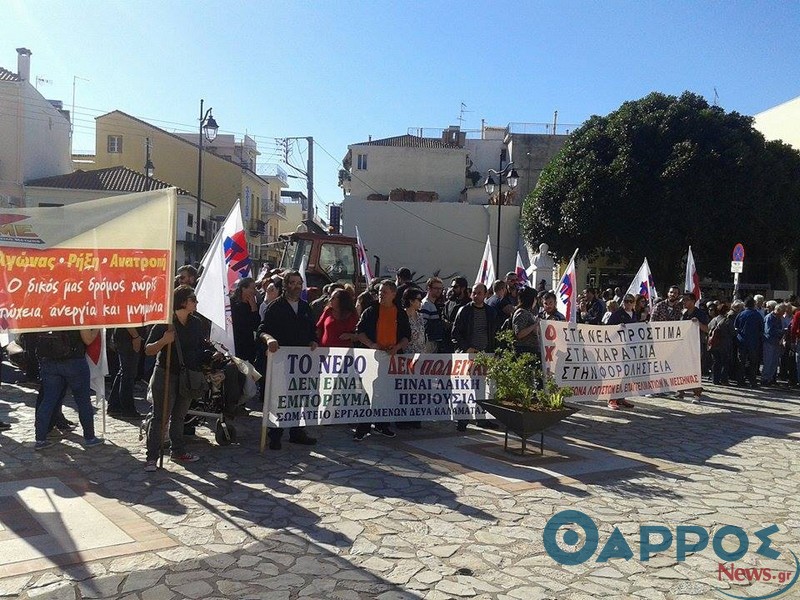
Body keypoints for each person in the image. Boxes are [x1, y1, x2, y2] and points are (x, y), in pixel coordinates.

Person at [144, 286, 212, 470]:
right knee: (161, 417)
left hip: (188, 375)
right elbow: (148, 350)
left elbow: (200, 346)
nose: (196, 303)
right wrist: (163, 341)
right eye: (193, 299)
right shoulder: (164, 323)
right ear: (183, 302)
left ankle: (178, 450)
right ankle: (151, 456)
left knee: (180, 416)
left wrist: (211, 354)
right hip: (165, 373)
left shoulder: (196, 323)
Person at [258, 270, 319, 450]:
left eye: (298, 283)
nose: (296, 286)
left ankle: (297, 432)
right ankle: (275, 434)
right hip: (281, 363)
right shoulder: (275, 307)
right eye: (292, 283)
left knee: (299, 398)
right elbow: (262, 330)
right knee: (279, 398)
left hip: (301, 364)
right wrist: (269, 339)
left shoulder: (306, 307)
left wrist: (313, 341)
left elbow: (312, 331)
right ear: (285, 285)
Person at [353, 280, 410, 440]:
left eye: (384, 292)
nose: (381, 294)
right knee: (367, 393)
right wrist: (372, 345)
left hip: (391, 359)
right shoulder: (370, 311)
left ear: (393, 294)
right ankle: (363, 427)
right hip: (372, 358)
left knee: (385, 393)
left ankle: (382, 424)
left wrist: (397, 347)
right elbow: (360, 332)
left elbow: (407, 336)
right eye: (379, 291)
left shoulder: (400, 312)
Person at [34, 329, 104, 450]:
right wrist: (97, 328)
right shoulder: (76, 312)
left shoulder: (47, 311)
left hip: (49, 360)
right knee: (83, 401)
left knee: (48, 401)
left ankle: (40, 439)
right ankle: (90, 438)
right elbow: (88, 340)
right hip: (74, 361)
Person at [451, 283, 499, 431]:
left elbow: (494, 334)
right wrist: (467, 348)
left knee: (481, 389)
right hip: (468, 356)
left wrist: (494, 351)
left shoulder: (491, 312)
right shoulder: (464, 311)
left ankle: (481, 419)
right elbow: (455, 334)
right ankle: (462, 420)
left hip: (485, 355)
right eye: (474, 293)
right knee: (464, 389)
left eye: (480, 293)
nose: (476, 295)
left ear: (485, 295)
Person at [605, 294, 637, 410]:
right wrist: (618, 327)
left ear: (634, 303)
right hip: (618, 349)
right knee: (617, 374)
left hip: (630, 349)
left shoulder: (634, 314)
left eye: (630, 301)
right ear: (623, 302)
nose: (628, 303)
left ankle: (621, 398)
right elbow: (608, 329)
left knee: (626, 375)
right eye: (626, 301)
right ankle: (611, 399)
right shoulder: (617, 314)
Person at [107, 326, 146, 418]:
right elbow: (127, 319)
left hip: (127, 336)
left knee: (125, 372)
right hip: (129, 336)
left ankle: (114, 406)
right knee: (128, 374)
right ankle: (127, 410)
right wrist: (135, 336)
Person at [677, 292, 708, 401]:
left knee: (695, 369)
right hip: (683, 345)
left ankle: (697, 393)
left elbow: (707, 329)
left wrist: (698, 324)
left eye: (686, 300)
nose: (684, 302)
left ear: (693, 301)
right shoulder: (683, 314)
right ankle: (680, 391)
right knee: (681, 368)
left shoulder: (700, 313)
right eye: (683, 300)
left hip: (695, 345)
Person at [734, 297, 764, 388]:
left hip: (742, 341)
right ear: (753, 304)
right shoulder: (757, 315)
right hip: (753, 342)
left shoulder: (740, 314)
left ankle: (740, 381)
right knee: (753, 363)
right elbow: (761, 329)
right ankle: (752, 382)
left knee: (741, 362)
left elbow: (736, 326)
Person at [230, 277, 261, 363]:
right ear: (243, 288)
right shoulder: (232, 303)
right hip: (235, 341)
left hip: (248, 343)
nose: (255, 291)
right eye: (253, 288)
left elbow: (256, 325)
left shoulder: (253, 304)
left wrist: (254, 308)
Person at [707, 301, 734, 385]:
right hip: (724, 345)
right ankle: (724, 380)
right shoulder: (727, 321)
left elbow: (708, 329)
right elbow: (732, 333)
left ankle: (715, 379)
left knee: (715, 362)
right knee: (724, 363)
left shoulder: (713, 319)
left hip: (714, 344)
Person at [761, 301, 785, 386]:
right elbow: (768, 331)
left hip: (776, 342)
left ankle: (770, 378)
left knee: (774, 362)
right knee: (768, 361)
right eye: (782, 312)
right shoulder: (769, 317)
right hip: (769, 342)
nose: (783, 314)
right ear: (778, 310)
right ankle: (765, 378)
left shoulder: (778, 318)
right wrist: (781, 331)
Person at [512, 287, 540, 355]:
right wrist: (535, 325)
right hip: (524, 350)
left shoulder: (528, 312)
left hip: (530, 350)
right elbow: (519, 333)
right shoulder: (522, 312)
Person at [420, 277, 445, 352]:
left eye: (440, 288)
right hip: (428, 342)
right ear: (428, 288)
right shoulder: (426, 304)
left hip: (433, 341)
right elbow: (423, 325)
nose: (439, 291)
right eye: (436, 288)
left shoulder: (432, 304)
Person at [403, 287, 426, 354]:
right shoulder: (402, 316)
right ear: (411, 301)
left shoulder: (420, 316)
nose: (421, 302)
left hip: (421, 355)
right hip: (407, 356)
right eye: (419, 299)